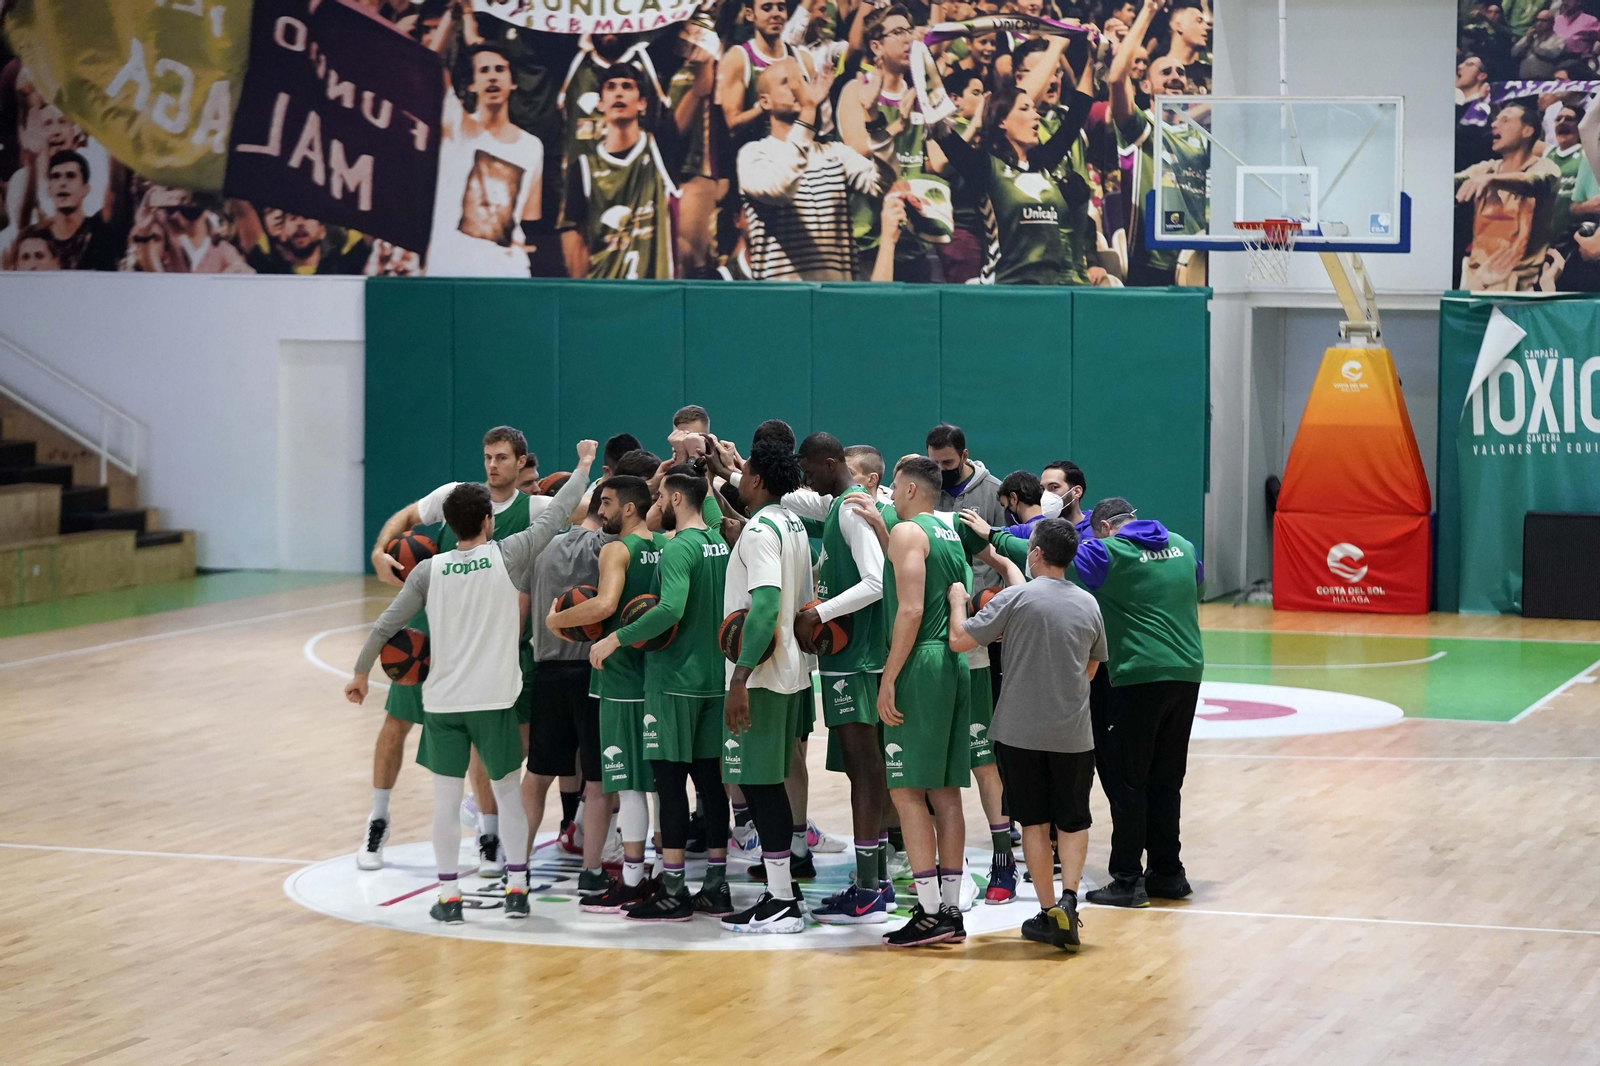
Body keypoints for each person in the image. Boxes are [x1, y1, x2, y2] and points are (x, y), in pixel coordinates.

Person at [345, 441, 597, 924]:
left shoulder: (427, 570)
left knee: (444, 802)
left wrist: (360, 673)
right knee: (506, 795)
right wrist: (584, 464)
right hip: (495, 701)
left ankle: (448, 898)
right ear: (488, 521)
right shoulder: (509, 555)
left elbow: (383, 626)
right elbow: (561, 508)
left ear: (449, 525)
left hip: (444, 704)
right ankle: (517, 889)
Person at [361, 426, 550, 874]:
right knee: (395, 726)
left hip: (498, 648)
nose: (492, 465)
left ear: (521, 462)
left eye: (502, 457)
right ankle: (377, 820)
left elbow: (596, 504)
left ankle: (487, 833)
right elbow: (405, 518)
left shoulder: (533, 509)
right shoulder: (456, 498)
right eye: (488, 456)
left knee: (489, 749)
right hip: (433, 638)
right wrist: (378, 552)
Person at [947, 517, 1105, 951]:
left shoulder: (1015, 598)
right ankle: (1069, 901)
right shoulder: (1089, 604)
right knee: (1073, 820)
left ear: (1035, 553)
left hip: (1020, 733)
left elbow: (961, 641)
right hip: (1073, 733)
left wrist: (958, 600)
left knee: (1034, 823)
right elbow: (1092, 667)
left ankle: (1048, 910)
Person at [590, 462, 734, 921]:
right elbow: (709, 504)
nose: (654, 506)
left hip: (673, 683)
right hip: (715, 681)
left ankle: (672, 890)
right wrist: (702, 473)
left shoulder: (679, 550)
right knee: (711, 786)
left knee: (670, 787)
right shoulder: (717, 541)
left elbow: (670, 609)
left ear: (674, 500)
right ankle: (716, 885)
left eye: (659, 499)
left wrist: (617, 637)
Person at [1070, 497, 1204, 909]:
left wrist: (996, 536)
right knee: (1166, 778)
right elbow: (1193, 582)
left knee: (1127, 779)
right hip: (1186, 673)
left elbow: (1048, 554)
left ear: (1105, 528)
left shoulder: (1109, 551)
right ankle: (1168, 873)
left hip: (1136, 677)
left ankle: (1127, 878)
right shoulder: (1184, 546)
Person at [785, 433, 894, 924]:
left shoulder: (850, 509)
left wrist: (819, 613)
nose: (804, 475)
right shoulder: (844, 506)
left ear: (830, 463)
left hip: (860, 659)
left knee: (865, 768)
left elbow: (875, 582)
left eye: (808, 466)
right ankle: (878, 878)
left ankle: (870, 885)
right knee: (867, 769)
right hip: (856, 658)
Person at [870, 456, 976, 946]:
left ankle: (930, 912)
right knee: (945, 792)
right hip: (952, 666)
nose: (890, 494)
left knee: (907, 790)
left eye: (893, 486)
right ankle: (950, 909)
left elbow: (911, 608)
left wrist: (889, 677)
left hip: (922, 663)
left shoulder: (910, 534)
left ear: (911, 490)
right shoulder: (950, 531)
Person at [545, 475, 662, 912]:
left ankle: (632, 877)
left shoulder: (617, 549)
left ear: (629, 508)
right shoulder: (667, 546)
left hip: (620, 681)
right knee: (661, 786)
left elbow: (605, 605)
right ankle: (666, 875)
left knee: (628, 786)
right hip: (657, 678)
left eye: (608, 502)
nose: (603, 511)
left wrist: (556, 622)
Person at [719, 438, 816, 935]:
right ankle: (782, 889)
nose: (739, 478)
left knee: (759, 785)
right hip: (791, 672)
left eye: (744, 472)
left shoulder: (760, 530)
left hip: (760, 675)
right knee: (767, 783)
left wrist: (740, 677)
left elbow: (763, 606)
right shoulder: (791, 522)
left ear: (756, 479)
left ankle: (780, 901)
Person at [930, 39, 1095, 285]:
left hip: (1051, 290)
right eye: (1025, 109)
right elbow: (944, 135)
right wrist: (925, 70)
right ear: (1002, 121)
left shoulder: (1044, 164)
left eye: (1034, 109)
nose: (1035, 115)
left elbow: (1077, 114)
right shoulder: (985, 168)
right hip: (1004, 290)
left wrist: (1093, 59)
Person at [522, 482, 615, 894]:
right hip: (593, 673)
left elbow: (522, 612)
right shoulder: (611, 548)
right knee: (596, 782)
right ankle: (591, 873)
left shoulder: (540, 550)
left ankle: (516, 867)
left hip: (547, 671)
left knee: (537, 774)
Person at [425, 8, 545, 277]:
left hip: (507, 274)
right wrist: (453, 15)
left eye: (500, 69)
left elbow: (528, 215)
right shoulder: (455, 126)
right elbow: (429, 63)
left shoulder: (532, 147)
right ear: (472, 84)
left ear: (513, 82)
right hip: (450, 270)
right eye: (484, 70)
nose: (492, 76)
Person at [739, 59, 878, 281]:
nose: (798, 88)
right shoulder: (753, 154)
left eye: (802, 81)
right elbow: (780, 189)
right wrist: (808, 113)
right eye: (787, 82)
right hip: (781, 302)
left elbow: (882, 185)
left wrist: (874, 119)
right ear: (765, 101)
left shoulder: (835, 153)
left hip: (835, 300)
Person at [1110, 0, 1208, 287]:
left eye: (1181, 73)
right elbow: (1116, 79)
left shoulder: (1202, 136)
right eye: (1165, 73)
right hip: (1150, 259)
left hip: (1198, 258)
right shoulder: (1143, 126)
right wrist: (1149, 10)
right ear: (1145, 86)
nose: (1176, 77)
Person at [559, 63, 678, 279]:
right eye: (611, 87)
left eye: (627, 86)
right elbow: (574, 238)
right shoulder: (584, 167)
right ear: (601, 104)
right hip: (603, 290)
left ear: (642, 103)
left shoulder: (660, 148)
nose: (619, 92)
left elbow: (696, 96)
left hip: (653, 292)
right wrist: (580, 293)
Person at [1456, 101, 1562, 291]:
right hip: (1477, 281)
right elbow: (1450, 183)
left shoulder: (1546, 167)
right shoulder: (1486, 168)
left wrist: (1492, 180)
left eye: (1505, 120)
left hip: (1523, 286)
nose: (1494, 124)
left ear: (1528, 131)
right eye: (1495, 120)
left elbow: (1535, 181)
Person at [1513, 9, 1569, 79]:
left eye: (1544, 21)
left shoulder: (1558, 39)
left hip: (1544, 81)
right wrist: (1527, 40)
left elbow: (1552, 55)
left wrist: (1533, 46)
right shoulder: (1530, 37)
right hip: (1524, 81)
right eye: (1537, 20)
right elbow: (1514, 53)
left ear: (1552, 23)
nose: (1539, 23)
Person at [1041, 459, 1090, 533]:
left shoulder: (1099, 529)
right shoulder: (1039, 528)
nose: (1045, 495)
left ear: (1076, 492)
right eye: (1042, 489)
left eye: (1054, 487)